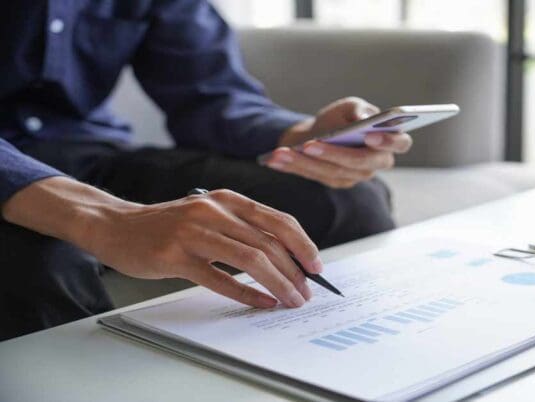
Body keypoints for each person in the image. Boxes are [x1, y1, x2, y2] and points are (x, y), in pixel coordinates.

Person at [0, 1, 413, 341]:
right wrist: (102, 218)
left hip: (89, 154)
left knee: (344, 201)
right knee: (46, 260)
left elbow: (209, 93)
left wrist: (306, 136)